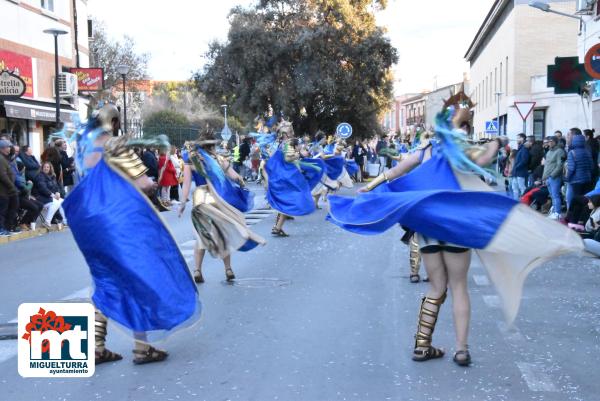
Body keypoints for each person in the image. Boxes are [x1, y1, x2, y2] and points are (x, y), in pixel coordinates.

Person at [327, 108, 582, 367]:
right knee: (458, 286)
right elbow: (483, 159)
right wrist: (497, 142)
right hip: (457, 226)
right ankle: (461, 350)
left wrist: (367, 188)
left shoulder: (427, 150)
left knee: (436, 287)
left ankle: (422, 345)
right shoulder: (461, 149)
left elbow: (394, 172)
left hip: (429, 226)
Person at [60, 104, 200, 365]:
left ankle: (97, 346)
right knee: (139, 274)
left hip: (87, 223)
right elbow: (143, 183)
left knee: (105, 279)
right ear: (113, 122)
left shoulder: (83, 148)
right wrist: (152, 184)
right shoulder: (114, 144)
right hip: (119, 221)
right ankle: (142, 347)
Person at [179, 131, 265, 283]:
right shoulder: (219, 159)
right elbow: (235, 176)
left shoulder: (192, 159)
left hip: (200, 199)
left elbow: (186, 183)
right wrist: (241, 184)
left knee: (200, 235)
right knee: (223, 233)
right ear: (213, 145)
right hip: (219, 200)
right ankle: (228, 269)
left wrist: (183, 202)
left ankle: (197, 270)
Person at [566, 129, 593, 211]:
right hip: (587, 180)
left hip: (576, 181)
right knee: (585, 200)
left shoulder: (572, 153)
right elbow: (591, 166)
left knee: (576, 200)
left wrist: (567, 178)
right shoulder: (587, 151)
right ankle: (583, 218)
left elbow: (571, 169)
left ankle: (574, 219)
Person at [33, 162, 65, 228]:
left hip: (49, 197)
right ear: (42, 168)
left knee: (63, 202)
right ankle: (47, 222)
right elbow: (42, 188)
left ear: (50, 168)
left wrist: (58, 192)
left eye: (48, 167)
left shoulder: (52, 176)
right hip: (40, 197)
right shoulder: (40, 176)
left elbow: (56, 187)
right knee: (56, 203)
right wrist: (53, 195)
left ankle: (65, 221)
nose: (46, 168)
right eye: (45, 167)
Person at [542, 136, 566, 219]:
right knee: (552, 195)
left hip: (555, 177)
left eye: (551, 141)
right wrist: (544, 177)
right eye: (548, 141)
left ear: (556, 142)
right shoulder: (549, 152)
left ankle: (558, 213)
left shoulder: (559, 151)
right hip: (548, 177)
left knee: (555, 195)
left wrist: (552, 175)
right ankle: (555, 211)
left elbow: (560, 165)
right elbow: (546, 166)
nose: (549, 143)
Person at [0, 139, 19, 236]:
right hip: (3, 191)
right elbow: (3, 176)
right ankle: (1, 229)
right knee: (2, 211)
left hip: (7, 190)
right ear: (2, 149)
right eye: (7, 147)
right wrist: (12, 187)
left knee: (8, 209)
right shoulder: (1, 159)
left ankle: (6, 228)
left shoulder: (4, 158)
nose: (9, 149)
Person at [511, 133, 529, 199]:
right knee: (514, 187)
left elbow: (524, 160)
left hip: (521, 172)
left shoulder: (524, 148)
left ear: (522, 138)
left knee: (522, 188)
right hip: (516, 172)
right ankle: (515, 202)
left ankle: (524, 202)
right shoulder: (520, 148)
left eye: (518, 138)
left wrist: (517, 167)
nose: (517, 139)